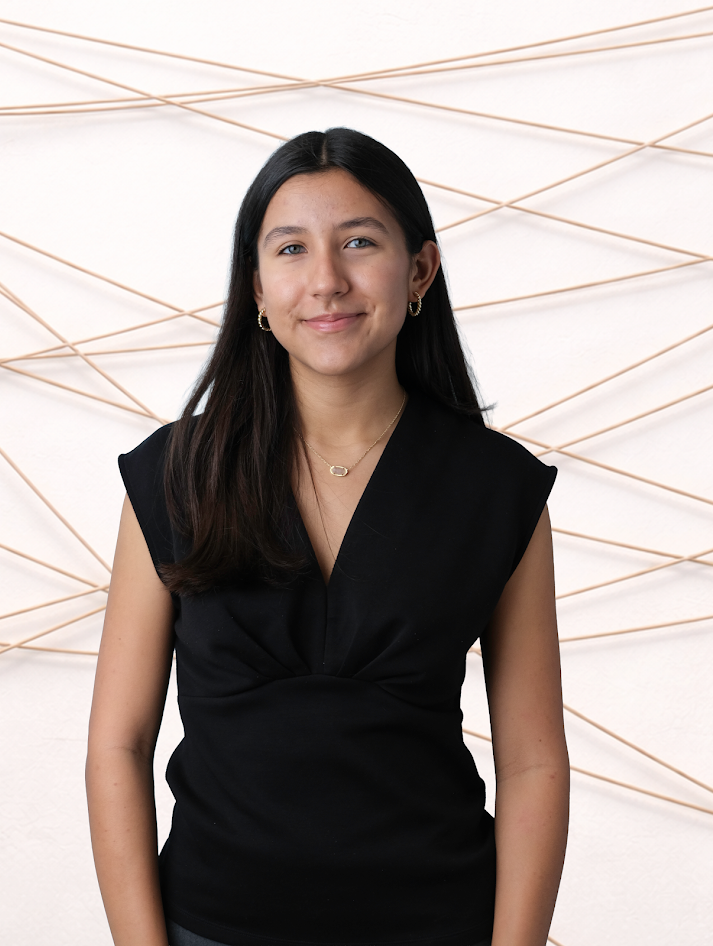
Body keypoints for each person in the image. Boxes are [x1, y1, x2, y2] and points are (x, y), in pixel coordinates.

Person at [86, 127, 570, 946]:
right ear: (257, 287)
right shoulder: (176, 474)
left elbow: (533, 763)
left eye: (359, 242)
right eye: (291, 250)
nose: (326, 282)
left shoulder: (497, 488)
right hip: (207, 928)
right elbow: (118, 746)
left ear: (420, 270)